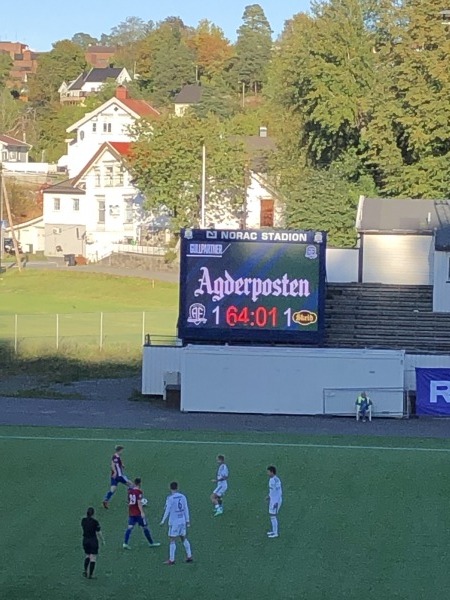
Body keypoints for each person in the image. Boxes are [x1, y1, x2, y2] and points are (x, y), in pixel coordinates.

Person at [160, 481, 193, 565]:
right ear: (177, 488)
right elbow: (186, 509)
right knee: (183, 538)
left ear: (170, 488)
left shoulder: (170, 498)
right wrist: (187, 521)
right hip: (182, 521)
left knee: (172, 539)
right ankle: (189, 556)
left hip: (174, 522)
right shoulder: (183, 497)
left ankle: (171, 560)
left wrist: (163, 520)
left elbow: (167, 510)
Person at [123, 477, 160, 549]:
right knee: (145, 527)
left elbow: (129, 501)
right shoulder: (139, 492)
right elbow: (139, 502)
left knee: (130, 527)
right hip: (138, 513)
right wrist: (142, 512)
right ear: (140, 483)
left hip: (131, 512)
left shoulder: (130, 491)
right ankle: (151, 543)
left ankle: (125, 543)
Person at [81, 507, 104, 579]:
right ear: (93, 514)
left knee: (87, 555)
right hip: (93, 540)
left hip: (85, 540)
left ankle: (85, 570)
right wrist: (102, 540)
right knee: (93, 558)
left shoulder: (83, 520)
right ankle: (90, 575)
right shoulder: (95, 522)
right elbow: (99, 532)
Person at [267, 466, 282, 539]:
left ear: (272, 472)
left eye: (268, 472)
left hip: (276, 501)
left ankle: (275, 533)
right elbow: (272, 490)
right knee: (271, 515)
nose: (268, 473)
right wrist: (269, 496)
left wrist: (276, 502)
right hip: (272, 500)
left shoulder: (276, 480)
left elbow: (279, 492)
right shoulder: (271, 479)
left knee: (273, 516)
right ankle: (273, 531)